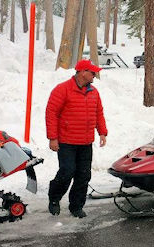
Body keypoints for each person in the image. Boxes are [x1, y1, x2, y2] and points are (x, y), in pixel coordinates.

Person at [46, 59, 107, 218]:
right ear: (82, 72)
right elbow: (51, 114)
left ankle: (76, 206)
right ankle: (54, 198)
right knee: (67, 172)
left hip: (86, 142)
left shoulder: (94, 92)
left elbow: (98, 113)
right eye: (92, 72)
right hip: (66, 141)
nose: (95, 75)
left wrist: (102, 132)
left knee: (83, 175)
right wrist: (53, 138)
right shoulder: (62, 89)